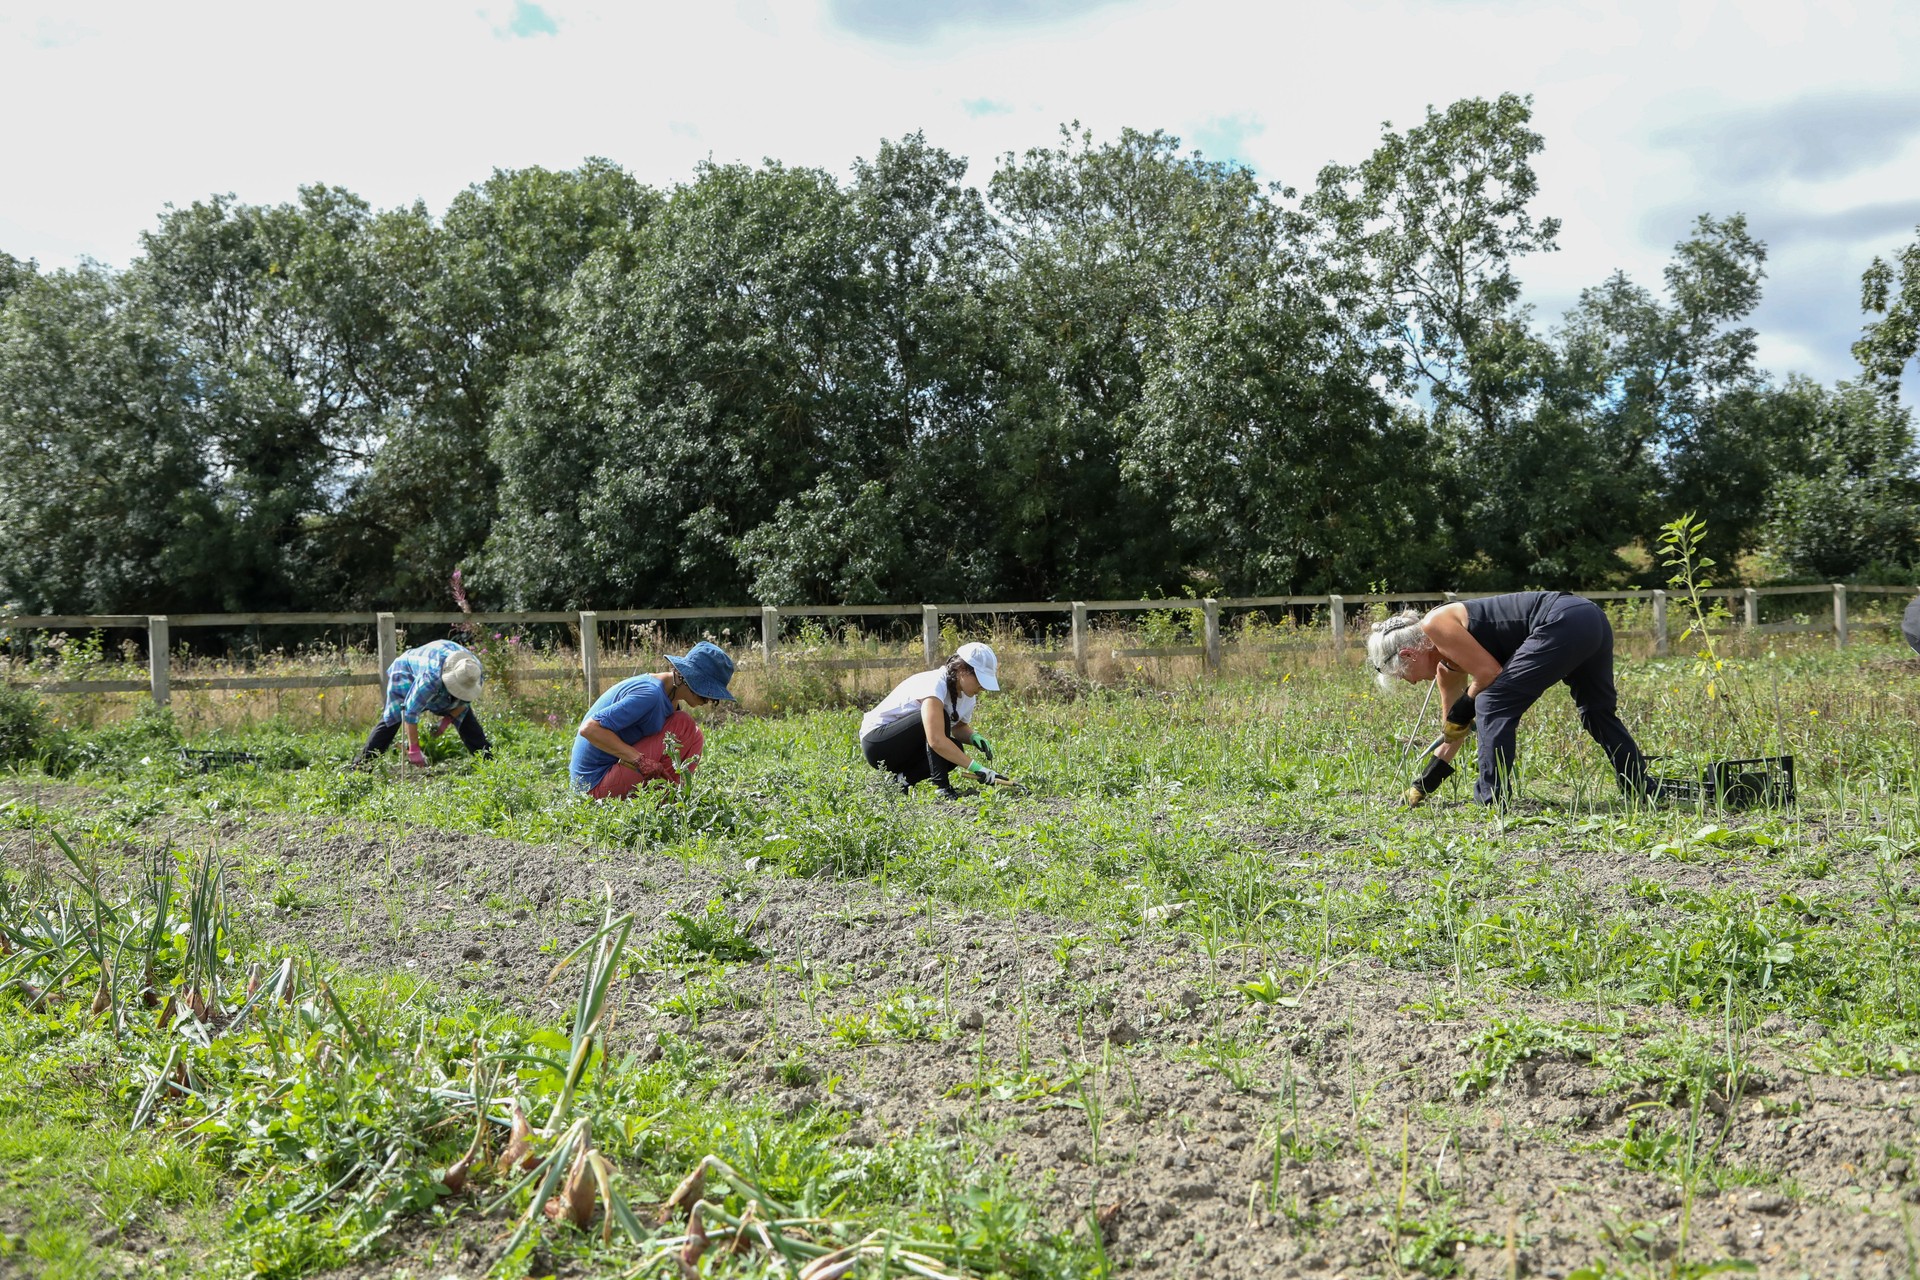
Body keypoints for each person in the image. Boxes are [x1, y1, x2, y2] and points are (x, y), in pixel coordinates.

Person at [1366, 592, 1648, 805]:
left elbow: (1489, 673)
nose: (1411, 681)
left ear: (1408, 655)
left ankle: (1491, 800)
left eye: (1402, 674)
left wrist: (1466, 705)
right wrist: (1424, 784)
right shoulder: (1447, 670)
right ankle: (1640, 786)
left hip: (1563, 619)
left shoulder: (1436, 624)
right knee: (1596, 711)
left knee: (1491, 701)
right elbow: (1454, 733)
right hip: (1589, 618)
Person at [570, 641, 735, 798]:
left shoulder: (670, 697)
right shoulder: (650, 694)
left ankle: (671, 797)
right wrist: (640, 761)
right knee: (683, 724)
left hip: (611, 775)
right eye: (709, 692)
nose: (710, 700)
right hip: (592, 788)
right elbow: (589, 729)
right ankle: (664, 798)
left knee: (695, 736)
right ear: (689, 678)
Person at [859, 641, 1005, 797]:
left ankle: (899, 782)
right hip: (878, 743)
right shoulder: (935, 684)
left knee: (955, 749)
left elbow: (958, 728)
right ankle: (942, 788)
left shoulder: (968, 695)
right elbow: (935, 740)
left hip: (904, 750)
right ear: (963, 670)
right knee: (941, 721)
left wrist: (973, 737)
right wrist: (978, 768)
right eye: (980, 679)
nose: (983, 687)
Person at [352, 639, 490, 768]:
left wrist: (447, 720)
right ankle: (361, 768)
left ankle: (491, 767)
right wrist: (414, 750)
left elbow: (465, 701)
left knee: (468, 725)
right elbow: (410, 711)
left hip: (443, 664)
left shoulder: (473, 673)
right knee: (392, 720)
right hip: (407, 671)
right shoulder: (432, 678)